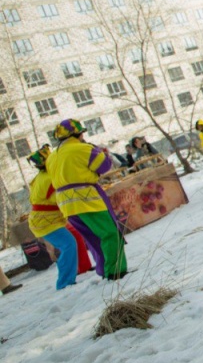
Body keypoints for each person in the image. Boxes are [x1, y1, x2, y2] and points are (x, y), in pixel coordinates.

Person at [46, 118, 128, 280]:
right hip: (87, 200)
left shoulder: (52, 156)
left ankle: (104, 270)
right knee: (110, 234)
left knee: (93, 238)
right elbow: (104, 166)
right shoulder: (82, 148)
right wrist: (103, 153)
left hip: (66, 205)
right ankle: (115, 271)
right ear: (77, 134)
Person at [26, 145, 79, 290]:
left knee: (68, 244)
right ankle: (65, 281)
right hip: (46, 221)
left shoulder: (42, 176)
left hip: (43, 219)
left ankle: (68, 277)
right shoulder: (50, 177)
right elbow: (60, 197)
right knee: (68, 244)